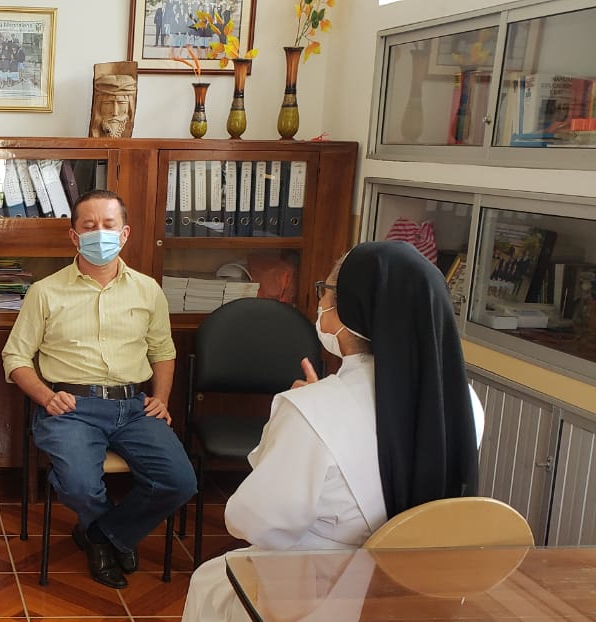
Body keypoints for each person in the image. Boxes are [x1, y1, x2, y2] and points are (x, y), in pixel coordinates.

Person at [182, 241, 485, 621]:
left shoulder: (311, 412)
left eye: (324, 291)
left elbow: (258, 522)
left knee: (209, 583)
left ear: (351, 308)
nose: (320, 302)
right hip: (422, 590)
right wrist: (316, 408)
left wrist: (303, 417)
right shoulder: (463, 402)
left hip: (321, 593)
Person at [2, 190, 197, 589]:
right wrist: (45, 396)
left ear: (125, 234)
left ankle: (102, 535)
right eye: (89, 226)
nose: (100, 234)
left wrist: (161, 397)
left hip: (134, 406)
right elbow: (15, 357)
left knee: (180, 481)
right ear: (74, 236)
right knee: (78, 484)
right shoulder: (45, 291)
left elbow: (163, 351)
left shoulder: (148, 290)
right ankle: (111, 538)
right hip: (71, 408)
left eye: (109, 225)